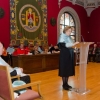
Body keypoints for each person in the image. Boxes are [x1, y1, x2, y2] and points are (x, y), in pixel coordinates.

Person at [58, 26, 79, 90]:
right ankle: (64, 84)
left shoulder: (69, 37)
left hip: (69, 55)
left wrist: (75, 45)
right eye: (69, 31)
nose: (70, 32)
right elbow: (64, 45)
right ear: (65, 31)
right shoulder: (62, 37)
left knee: (68, 69)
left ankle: (66, 83)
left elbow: (71, 45)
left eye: (71, 31)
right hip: (64, 56)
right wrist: (73, 44)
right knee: (64, 70)